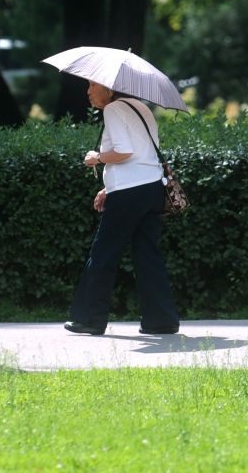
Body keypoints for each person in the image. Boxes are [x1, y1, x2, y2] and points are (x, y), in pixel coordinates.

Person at [64, 81, 180, 336]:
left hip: (130, 192)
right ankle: (162, 321)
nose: (88, 92)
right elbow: (143, 154)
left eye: (93, 85)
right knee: (148, 254)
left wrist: (97, 158)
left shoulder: (114, 109)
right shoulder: (141, 107)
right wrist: (109, 188)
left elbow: (124, 152)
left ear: (108, 87)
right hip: (151, 189)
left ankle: (89, 320)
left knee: (103, 253)